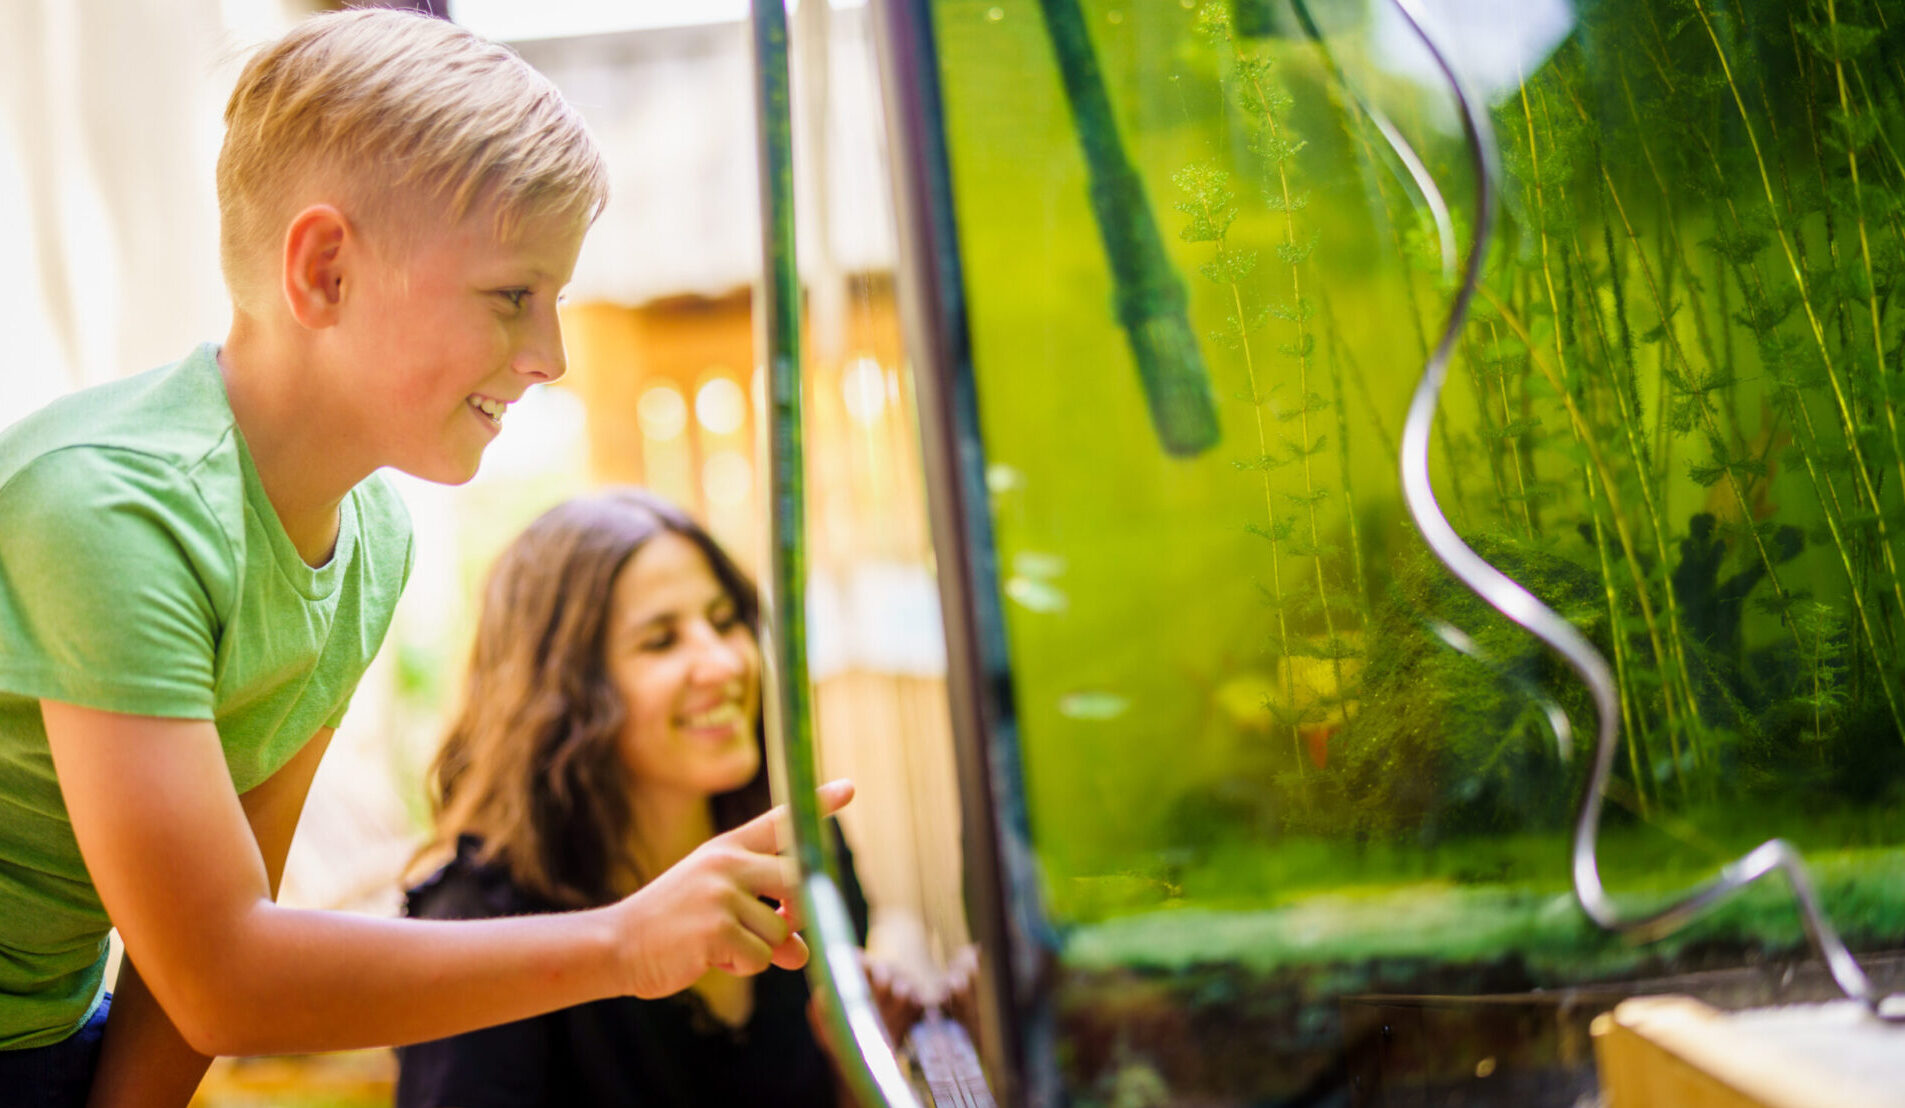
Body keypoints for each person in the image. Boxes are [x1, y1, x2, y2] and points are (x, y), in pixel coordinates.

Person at [0, 11, 848, 1108]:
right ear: (326, 272)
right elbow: (225, 977)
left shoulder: (370, 542)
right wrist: (623, 941)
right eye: (512, 296)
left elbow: (203, 962)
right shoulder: (112, 510)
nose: (549, 356)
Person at [395, 488, 918, 1107]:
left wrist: (865, 1059)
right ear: (564, 690)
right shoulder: (478, 924)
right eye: (661, 641)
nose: (723, 662)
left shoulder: (800, 855)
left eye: (725, 623)